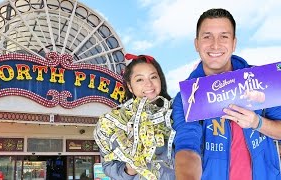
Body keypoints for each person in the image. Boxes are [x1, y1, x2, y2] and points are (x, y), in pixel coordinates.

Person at [173, 8, 281, 180]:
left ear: (234, 43)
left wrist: (257, 122)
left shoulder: (263, 80)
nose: (215, 44)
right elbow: (187, 146)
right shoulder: (188, 97)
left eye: (224, 36)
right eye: (207, 36)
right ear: (196, 43)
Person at [94, 53, 175, 180]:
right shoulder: (114, 121)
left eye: (153, 77)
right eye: (139, 79)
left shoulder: (176, 113)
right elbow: (108, 165)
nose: (149, 84)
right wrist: (129, 170)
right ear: (130, 87)